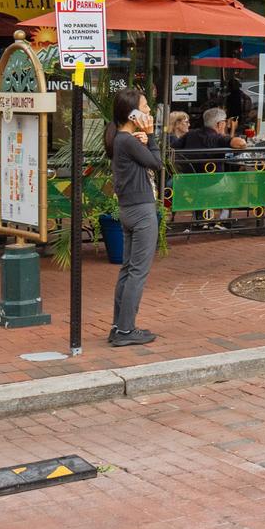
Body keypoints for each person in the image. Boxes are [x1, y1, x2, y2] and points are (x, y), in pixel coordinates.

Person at [108, 89, 162, 347]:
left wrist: (144, 140)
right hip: (141, 210)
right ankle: (126, 331)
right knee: (137, 272)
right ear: (132, 114)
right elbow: (158, 163)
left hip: (129, 209)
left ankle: (119, 326)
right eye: (145, 107)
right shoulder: (127, 140)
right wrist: (150, 137)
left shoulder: (122, 139)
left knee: (128, 269)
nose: (149, 111)